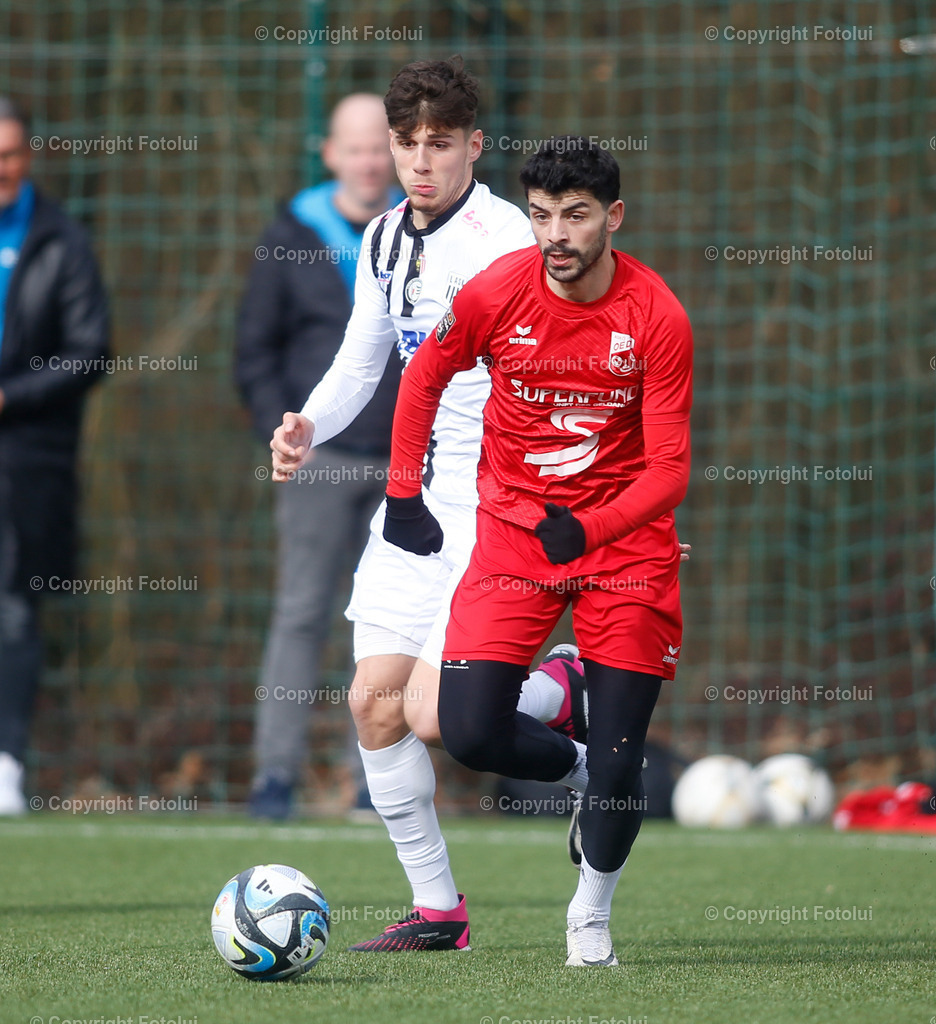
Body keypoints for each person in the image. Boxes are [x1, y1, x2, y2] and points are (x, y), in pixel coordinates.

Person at [270, 58, 590, 952]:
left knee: (436, 714)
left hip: (502, 503)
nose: (419, 161)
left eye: (438, 144)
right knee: (375, 702)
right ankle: (439, 913)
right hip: (415, 501)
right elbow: (362, 362)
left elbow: (570, 370)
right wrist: (307, 425)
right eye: (407, 143)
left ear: (473, 147)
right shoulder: (380, 239)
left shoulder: (505, 243)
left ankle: (567, 721)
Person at [383, 136, 693, 967]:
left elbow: (669, 470)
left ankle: (589, 926)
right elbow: (422, 379)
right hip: (515, 542)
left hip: (624, 550)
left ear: (613, 218)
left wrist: (590, 530)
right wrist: (402, 495)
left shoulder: (656, 316)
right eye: (543, 215)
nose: (556, 234)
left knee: (631, 765)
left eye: (577, 216)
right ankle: (581, 759)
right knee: (470, 731)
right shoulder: (497, 291)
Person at [235, 94, 406, 819]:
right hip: (320, 462)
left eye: (381, 149)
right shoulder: (290, 236)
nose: (370, 163)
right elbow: (254, 351)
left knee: (388, 623)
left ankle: (373, 780)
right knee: (301, 612)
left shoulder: (424, 234)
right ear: (330, 153)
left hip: (407, 462)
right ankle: (274, 778)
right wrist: (282, 431)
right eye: (356, 149)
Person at [0, 97, 110, 815]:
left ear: (28, 156)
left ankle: (6, 761)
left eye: (8, 155)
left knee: (11, 609)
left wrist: (11, 398)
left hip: (25, 457)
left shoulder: (60, 239)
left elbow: (89, 351)